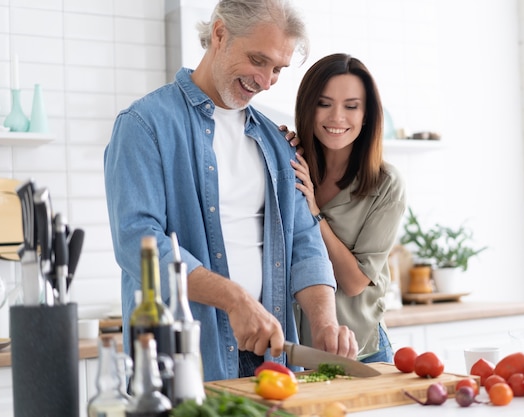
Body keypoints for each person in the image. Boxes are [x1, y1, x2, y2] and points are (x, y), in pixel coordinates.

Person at [104, 0, 357, 382]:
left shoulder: (275, 139)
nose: (267, 80)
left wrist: (323, 323)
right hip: (185, 360)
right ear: (219, 34)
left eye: (278, 69)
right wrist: (235, 300)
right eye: (258, 60)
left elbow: (304, 240)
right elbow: (139, 244)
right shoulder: (145, 125)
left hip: (272, 357)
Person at [289, 53, 407, 363]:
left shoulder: (385, 184)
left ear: (367, 115)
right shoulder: (290, 165)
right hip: (295, 351)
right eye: (324, 104)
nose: (337, 117)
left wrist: (314, 213)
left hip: (362, 351)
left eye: (351, 106)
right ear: (307, 107)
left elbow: (355, 283)